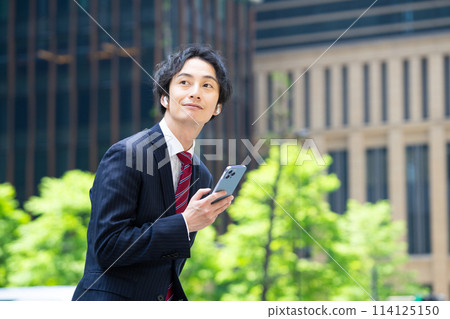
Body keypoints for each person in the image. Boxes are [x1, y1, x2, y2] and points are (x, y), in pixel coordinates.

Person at [72, 45, 233, 301]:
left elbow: (168, 259)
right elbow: (107, 247)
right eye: (184, 82)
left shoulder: (201, 176)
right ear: (165, 97)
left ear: (218, 107)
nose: (195, 93)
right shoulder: (128, 153)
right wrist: (185, 223)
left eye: (207, 86)